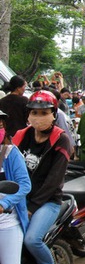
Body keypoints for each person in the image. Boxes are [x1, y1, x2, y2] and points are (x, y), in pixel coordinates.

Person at [12, 90, 71, 264]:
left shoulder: (61, 139)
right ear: (28, 114)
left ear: (53, 114)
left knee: (31, 240)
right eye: (34, 112)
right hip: (20, 198)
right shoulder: (21, 136)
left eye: (44, 113)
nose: (38, 117)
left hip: (47, 201)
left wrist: (31, 207)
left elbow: (53, 180)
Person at [0, 110, 32, 264]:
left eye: (0, 124)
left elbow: (25, 185)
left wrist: (3, 204)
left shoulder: (11, 154)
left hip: (7, 222)